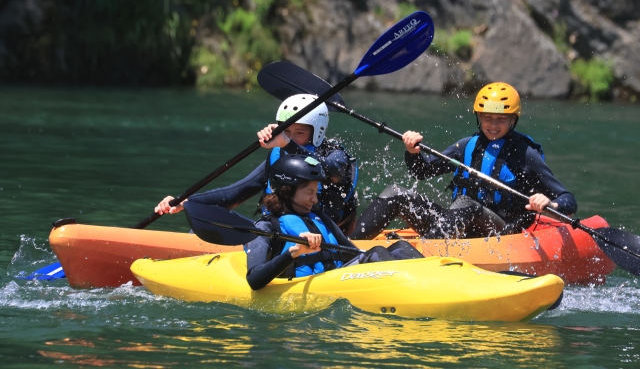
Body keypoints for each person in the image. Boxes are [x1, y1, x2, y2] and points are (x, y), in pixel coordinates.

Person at [349, 82, 578, 240]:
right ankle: (349, 248)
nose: (493, 124)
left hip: (501, 232)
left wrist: (550, 204)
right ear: (478, 116)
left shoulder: (526, 153)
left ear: (513, 119)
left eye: (501, 119)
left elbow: (568, 199)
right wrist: (412, 152)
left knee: (466, 203)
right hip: (454, 226)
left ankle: (423, 254)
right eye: (487, 117)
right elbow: (422, 171)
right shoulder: (466, 145)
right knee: (395, 193)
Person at [154, 94, 360, 235]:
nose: (290, 138)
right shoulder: (278, 156)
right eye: (286, 131)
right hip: (276, 229)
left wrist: (287, 143)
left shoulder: (334, 154)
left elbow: (330, 171)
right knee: (204, 223)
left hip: (322, 234)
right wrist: (187, 201)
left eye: (300, 132)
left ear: (318, 131)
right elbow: (234, 194)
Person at [245, 154, 423, 290]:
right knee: (376, 252)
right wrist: (293, 253)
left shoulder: (319, 218)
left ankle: (434, 279)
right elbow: (254, 280)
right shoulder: (266, 227)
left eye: (316, 193)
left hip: (338, 279)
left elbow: (352, 253)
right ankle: (411, 289)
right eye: (309, 193)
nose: (315, 200)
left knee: (401, 247)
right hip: (305, 287)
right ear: (286, 191)